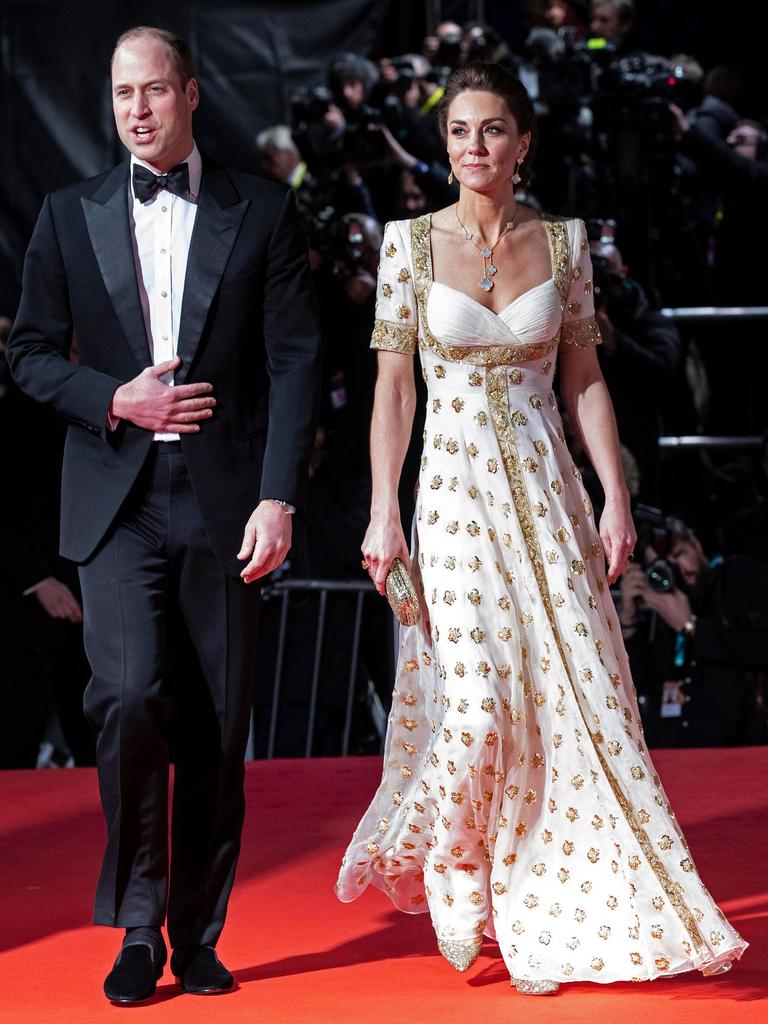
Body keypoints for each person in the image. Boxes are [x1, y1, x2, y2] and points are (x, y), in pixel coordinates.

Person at [335, 62, 746, 994]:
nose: (472, 148)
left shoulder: (565, 242)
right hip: (450, 498)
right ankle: (456, 859)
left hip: (549, 490)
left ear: (523, 143)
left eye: (490, 131)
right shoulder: (406, 247)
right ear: (443, 150)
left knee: (566, 693)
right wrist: (382, 509)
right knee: (476, 705)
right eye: (457, 133)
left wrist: (616, 493)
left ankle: (539, 894)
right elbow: (393, 392)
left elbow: (585, 378)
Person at [6, 26, 319, 1004]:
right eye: (119, 94)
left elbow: (296, 359)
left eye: (152, 91)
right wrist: (114, 398)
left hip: (227, 500)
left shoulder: (263, 210)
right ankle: (138, 925)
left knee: (218, 729)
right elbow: (24, 355)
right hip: (117, 501)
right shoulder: (69, 213)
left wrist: (278, 495)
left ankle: (199, 930)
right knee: (131, 699)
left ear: (189, 94)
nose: (135, 110)